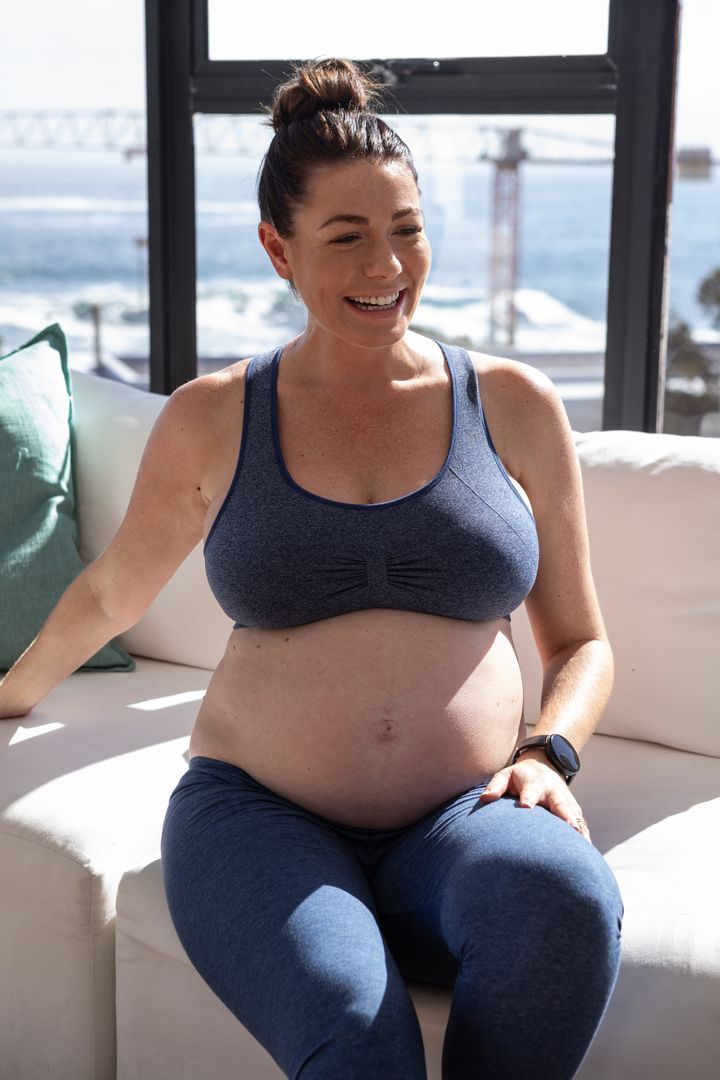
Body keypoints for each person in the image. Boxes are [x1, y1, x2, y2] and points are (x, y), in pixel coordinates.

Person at [0, 57, 623, 1080]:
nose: (388, 264)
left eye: (407, 228)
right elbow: (115, 589)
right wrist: (10, 695)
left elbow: (585, 641)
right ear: (277, 249)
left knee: (566, 905)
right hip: (258, 817)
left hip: (467, 821)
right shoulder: (215, 416)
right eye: (348, 236)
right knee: (354, 1029)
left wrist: (548, 755)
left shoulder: (513, 403)